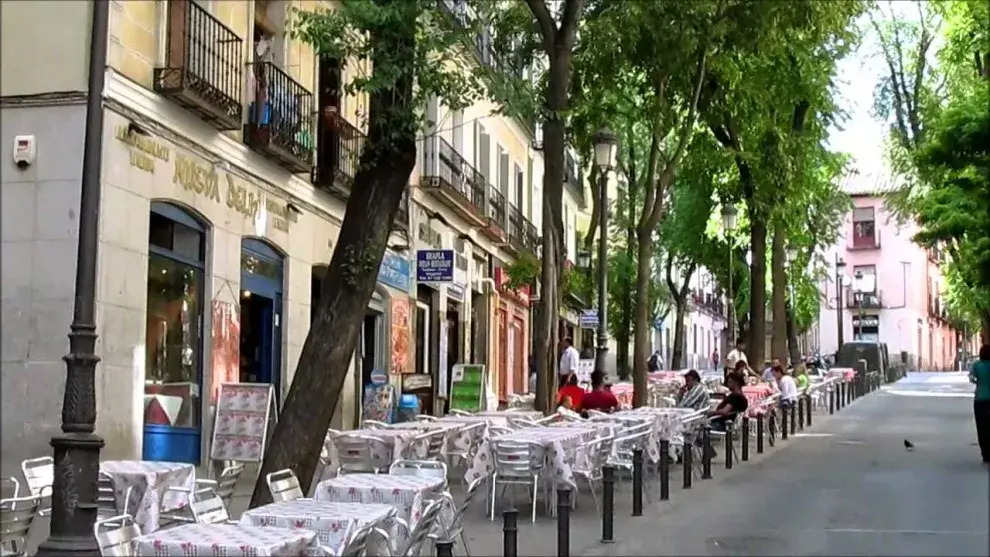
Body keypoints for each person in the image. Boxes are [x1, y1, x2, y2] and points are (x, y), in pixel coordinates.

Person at [969, 344, 990, 463]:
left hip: (980, 399)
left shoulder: (977, 365)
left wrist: (979, 381)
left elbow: (972, 378)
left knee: (982, 427)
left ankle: (985, 453)